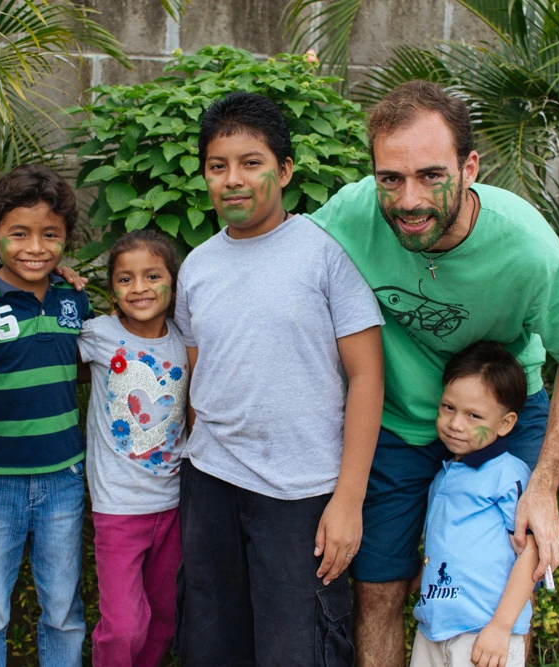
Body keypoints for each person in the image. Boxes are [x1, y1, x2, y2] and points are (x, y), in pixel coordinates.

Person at [309, 80, 559, 665]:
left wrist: (542, 487)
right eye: (390, 178)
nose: (409, 198)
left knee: (507, 580)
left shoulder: (527, 248)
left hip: (503, 418)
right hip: (399, 419)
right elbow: (289, 268)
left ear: (469, 167)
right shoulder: (351, 211)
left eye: (430, 176)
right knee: (379, 588)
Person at [173, 91, 385, 666]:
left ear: (284, 170)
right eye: (218, 167)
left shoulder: (323, 256)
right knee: (212, 644)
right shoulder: (197, 266)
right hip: (211, 482)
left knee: (299, 650)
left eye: (251, 163)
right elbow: (198, 374)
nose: (233, 180)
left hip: (302, 495)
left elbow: (367, 376)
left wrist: (349, 498)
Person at [0, 163, 91, 666]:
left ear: (65, 240)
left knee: (64, 610)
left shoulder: (74, 298)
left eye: (51, 235)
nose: (36, 247)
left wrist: (76, 284)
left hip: (65, 478)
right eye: (19, 234)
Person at [78, 229, 188, 667]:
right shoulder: (98, 334)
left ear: (173, 283)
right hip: (119, 507)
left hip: (175, 503)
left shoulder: (185, 337)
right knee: (124, 625)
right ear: (112, 289)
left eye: (152, 276)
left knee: (163, 617)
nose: (139, 288)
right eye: (125, 279)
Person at [410, 341, 538, 667]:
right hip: (433, 628)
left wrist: (500, 627)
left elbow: (532, 552)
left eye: (474, 416)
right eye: (448, 407)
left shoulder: (509, 474)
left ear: (506, 423)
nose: (455, 424)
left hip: (483, 635)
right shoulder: (445, 475)